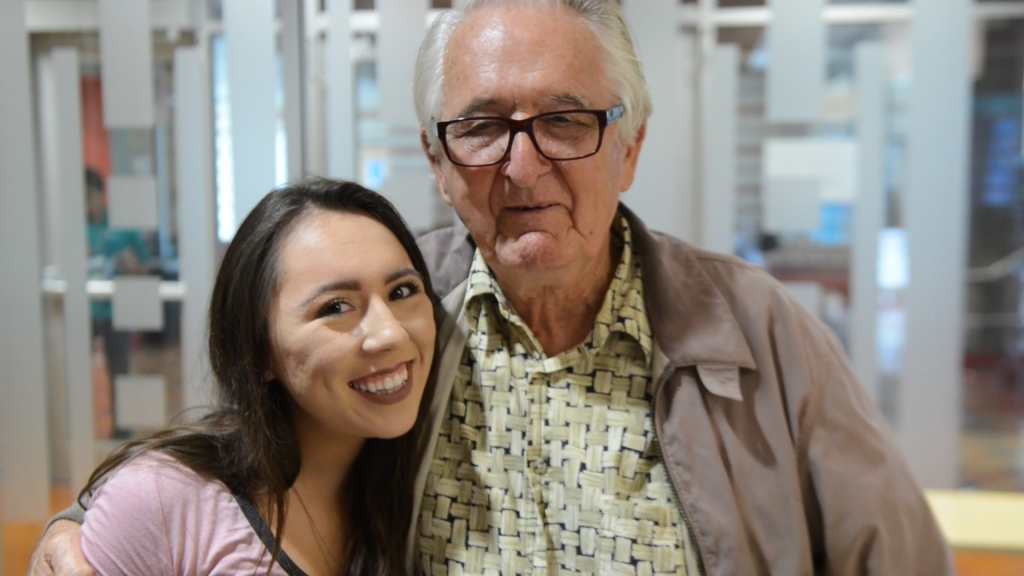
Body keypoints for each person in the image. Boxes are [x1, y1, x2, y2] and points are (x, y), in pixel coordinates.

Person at [35, 1, 952, 574]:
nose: (522, 165)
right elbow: (249, 452)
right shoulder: (400, 312)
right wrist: (84, 531)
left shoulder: (754, 329)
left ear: (628, 147)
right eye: (480, 126)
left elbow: (897, 556)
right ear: (438, 160)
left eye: (564, 119)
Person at [46, 178, 439, 575]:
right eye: (336, 306)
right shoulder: (164, 499)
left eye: (402, 292)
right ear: (259, 349)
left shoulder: (415, 495)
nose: (390, 333)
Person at [85, 168, 150, 438]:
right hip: (85, 309)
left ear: (101, 194)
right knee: (77, 370)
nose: (87, 203)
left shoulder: (122, 225)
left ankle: (121, 435)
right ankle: (82, 431)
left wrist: (128, 267)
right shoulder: (75, 227)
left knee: (119, 371)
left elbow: (145, 267)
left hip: (117, 309)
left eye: (89, 196)